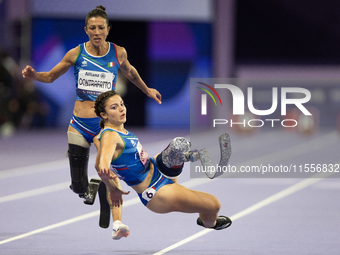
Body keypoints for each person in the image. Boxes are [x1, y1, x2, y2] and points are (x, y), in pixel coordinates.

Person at [22, 5, 161, 202]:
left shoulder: (118, 52)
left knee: (106, 167)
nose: (97, 32)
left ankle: (119, 209)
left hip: (104, 126)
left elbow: (130, 72)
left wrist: (147, 90)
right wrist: (34, 75)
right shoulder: (75, 54)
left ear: (108, 29)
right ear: (86, 30)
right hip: (79, 124)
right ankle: (90, 188)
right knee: (78, 186)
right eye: (92, 28)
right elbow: (51, 76)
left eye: (101, 28)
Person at [94, 90, 232, 238]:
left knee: (179, 144)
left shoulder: (117, 131)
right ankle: (209, 223)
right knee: (214, 205)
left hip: (157, 167)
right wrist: (112, 188)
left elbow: (98, 163)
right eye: (114, 107)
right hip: (156, 191)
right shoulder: (110, 135)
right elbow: (102, 166)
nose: (121, 108)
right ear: (104, 115)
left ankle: (187, 156)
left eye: (121, 104)